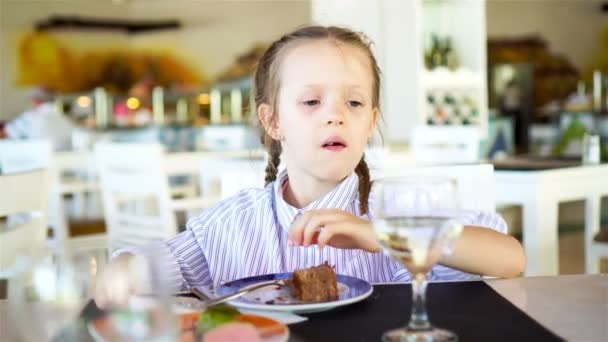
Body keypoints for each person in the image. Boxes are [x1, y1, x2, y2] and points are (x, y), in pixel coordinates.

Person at [95, 26, 525, 308]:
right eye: (311, 101)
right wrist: (118, 275)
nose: (335, 115)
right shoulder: (233, 223)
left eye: (353, 102)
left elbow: (509, 259)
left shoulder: (396, 210)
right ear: (273, 121)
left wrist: (378, 235)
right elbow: (143, 270)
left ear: (370, 121)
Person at [0, 87, 75, 150]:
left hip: (39, 161)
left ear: (36, 100)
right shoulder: (66, 117)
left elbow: (5, 134)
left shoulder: (30, 117)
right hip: (66, 159)